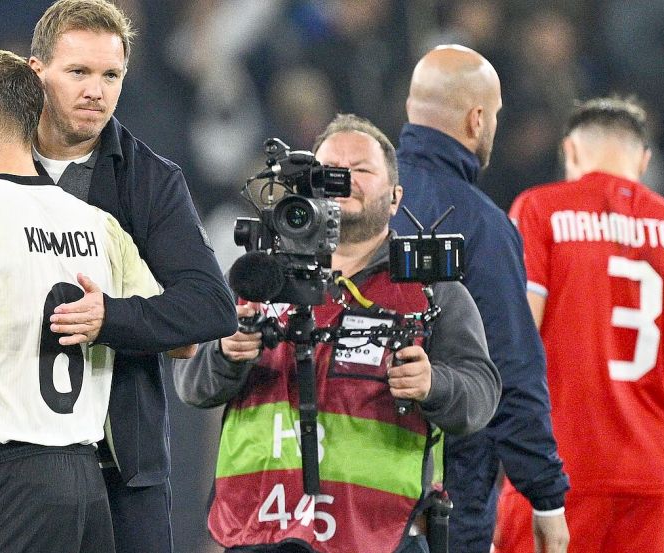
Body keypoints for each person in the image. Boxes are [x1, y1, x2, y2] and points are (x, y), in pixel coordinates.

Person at [0, 2, 237, 550]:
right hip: (8, 461)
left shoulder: (149, 180)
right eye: (79, 72)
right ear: (37, 73)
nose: (96, 92)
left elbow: (210, 308)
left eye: (111, 76)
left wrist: (110, 316)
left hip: (122, 469)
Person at [173, 113, 501, 553]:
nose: (344, 179)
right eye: (329, 171)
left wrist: (433, 384)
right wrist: (226, 353)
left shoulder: (430, 289)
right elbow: (191, 385)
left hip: (381, 535)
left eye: (362, 170)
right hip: (263, 530)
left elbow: (481, 395)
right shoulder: (258, 279)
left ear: (395, 198)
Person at [390, 44, 570, 553]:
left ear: (411, 111)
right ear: (476, 120)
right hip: (447, 491)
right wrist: (546, 496)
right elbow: (511, 367)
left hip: (344, 487)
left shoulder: (355, 209)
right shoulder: (481, 225)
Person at [496, 97, 664, 553]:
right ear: (643, 160)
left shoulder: (540, 210)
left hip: (554, 474)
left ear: (570, 151)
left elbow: (516, 346)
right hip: (647, 479)